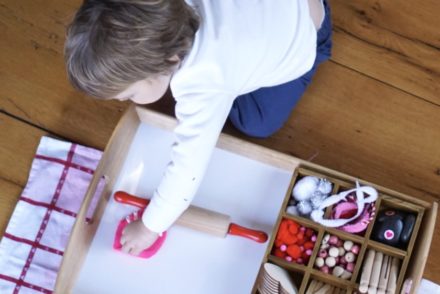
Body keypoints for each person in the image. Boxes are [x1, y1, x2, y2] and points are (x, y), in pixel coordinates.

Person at [64, 0, 332, 256]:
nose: (126, 101)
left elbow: (186, 171)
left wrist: (149, 228)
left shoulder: (203, 85)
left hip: (307, 36)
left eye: (129, 94)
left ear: (169, 60)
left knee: (257, 122)